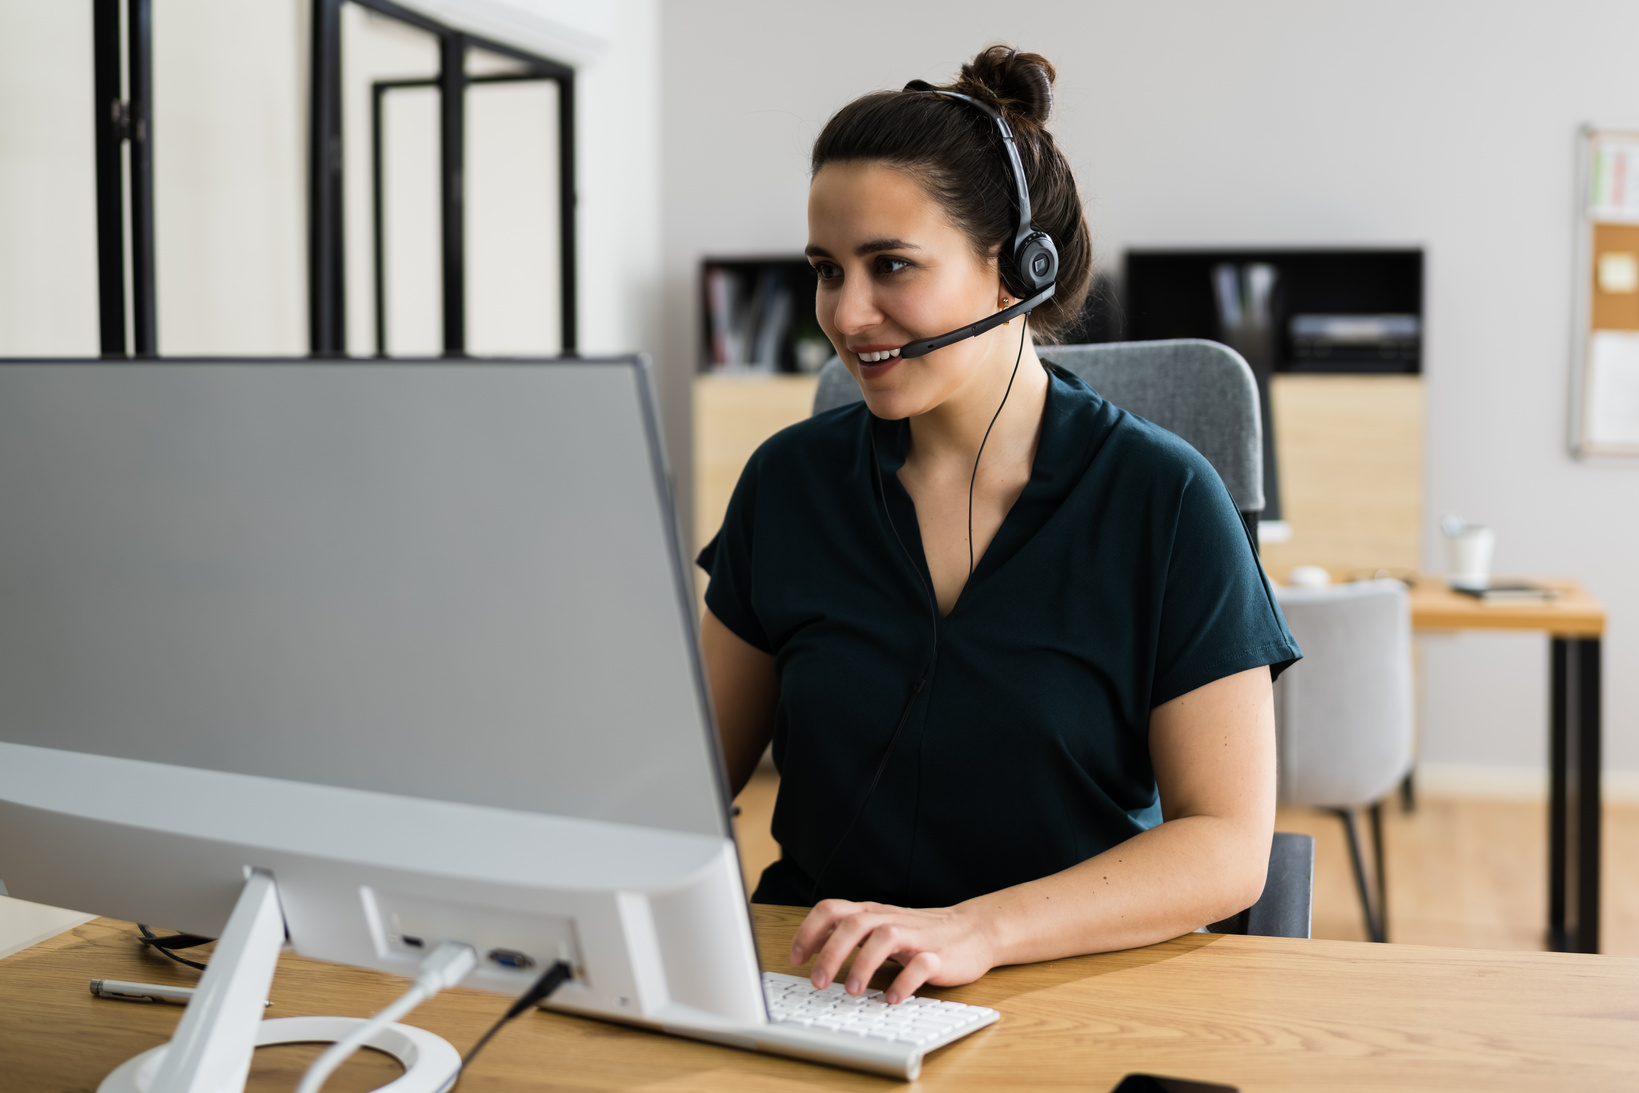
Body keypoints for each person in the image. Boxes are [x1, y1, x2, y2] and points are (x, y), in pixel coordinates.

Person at [696, 46, 1299, 1007]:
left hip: (1072, 986)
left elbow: (1226, 848)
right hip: (818, 985)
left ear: (1020, 268)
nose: (846, 315)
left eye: (890, 265)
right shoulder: (786, 484)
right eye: (826, 270)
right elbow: (686, 786)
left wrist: (981, 928)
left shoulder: (1165, 501)